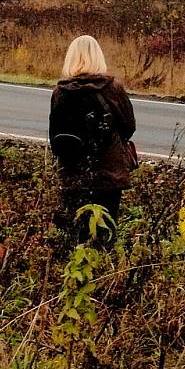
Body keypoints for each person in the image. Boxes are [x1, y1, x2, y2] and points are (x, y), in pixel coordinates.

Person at [49, 35, 136, 233]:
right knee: (106, 231)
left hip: (72, 174)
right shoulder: (113, 89)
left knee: (76, 231)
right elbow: (129, 126)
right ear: (99, 57)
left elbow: (55, 135)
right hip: (109, 173)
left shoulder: (60, 92)